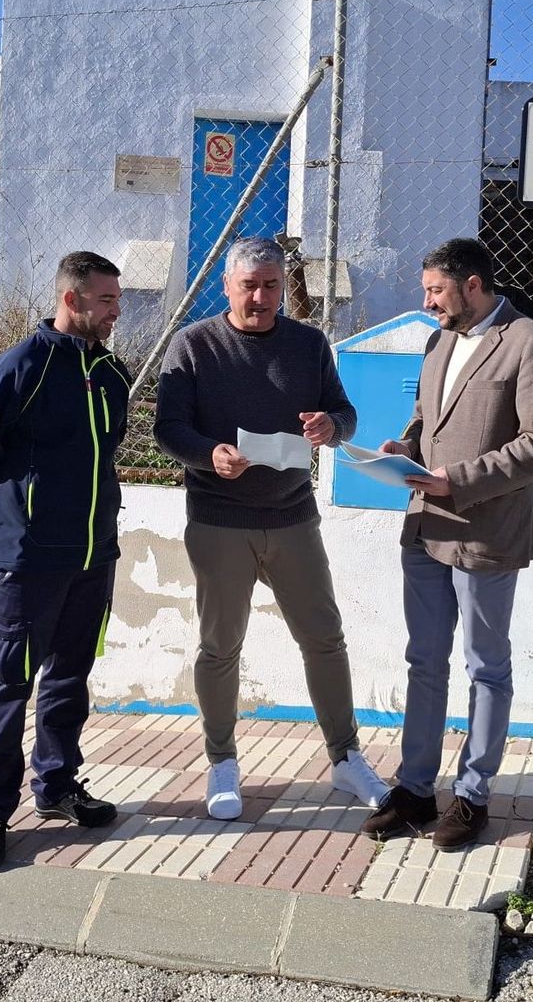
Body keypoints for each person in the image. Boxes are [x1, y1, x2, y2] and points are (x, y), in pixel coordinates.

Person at [153, 236, 391, 820]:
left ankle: (345, 758)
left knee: (324, 640)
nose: (260, 297)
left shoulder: (309, 343)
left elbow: (345, 411)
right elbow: (168, 428)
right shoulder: (193, 346)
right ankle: (221, 762)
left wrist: (329, 427)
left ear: (284, 287)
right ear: (226, 286)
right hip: (219, 521)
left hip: (291, 519)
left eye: (271, 286)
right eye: (249, 286)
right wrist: (210, 454)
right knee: (219, 647)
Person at [363, 237, 533, 850]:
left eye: (435, 291)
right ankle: (417, 788)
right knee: (424, 661)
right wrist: (405, 448)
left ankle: (474, 794)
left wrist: (460, 479)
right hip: (425, 527)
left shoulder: (530, 343)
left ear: (473, 285)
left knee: (486, 666)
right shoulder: (439, 341)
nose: (426, 303)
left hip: (484, 532)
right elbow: (430, 421)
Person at [0, 251, 131, 869]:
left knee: (69, 677)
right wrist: (19, 517)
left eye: (116, 300)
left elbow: (104, 454)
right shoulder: (16, 369)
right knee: (9, 681)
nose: (115, 312)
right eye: (105, 300)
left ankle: (56, 787)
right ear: (72, 300)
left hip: (94, 555)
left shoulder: (111, 374)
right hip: (29, 561)